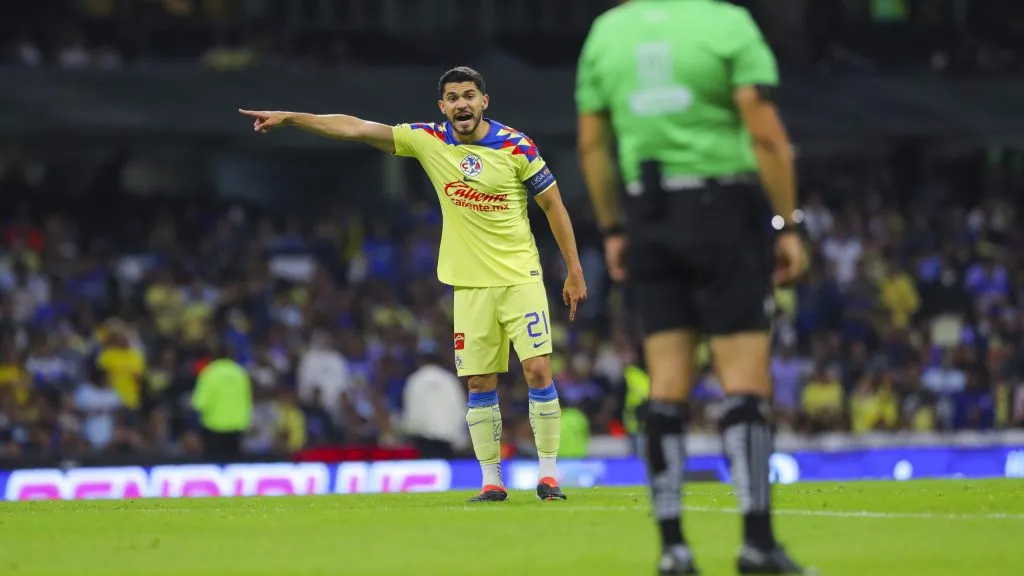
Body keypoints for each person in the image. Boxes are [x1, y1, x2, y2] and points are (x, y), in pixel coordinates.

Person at [239, 66, 587, 503]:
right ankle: (491, 481)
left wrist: (573, 270)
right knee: (479, 383)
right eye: (453, 97)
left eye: (469, 95)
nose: (462, 103)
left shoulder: (516, 144)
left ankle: (549, 475)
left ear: (484, 101)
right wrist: (292, 117)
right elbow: (356, 128)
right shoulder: (429, 139)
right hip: (470, 285)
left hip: (521, 276)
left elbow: (553, 205)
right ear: (442, 107)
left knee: (538, 369)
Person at [576, 1, 809, 574]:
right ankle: (757, 542)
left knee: (666, 385)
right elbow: (766, 132)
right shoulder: (728, 24)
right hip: (723, 209)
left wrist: (612, 228)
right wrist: (787, 224)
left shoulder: (607, 34)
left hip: (647, 213)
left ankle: (673, 548)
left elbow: (591, 145)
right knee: (744, 385)